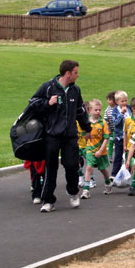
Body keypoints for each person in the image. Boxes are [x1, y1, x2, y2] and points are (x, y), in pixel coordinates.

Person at [30, 60, 91, 213]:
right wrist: (47, 103)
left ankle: (72, 191)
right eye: (76, 72)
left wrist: (87, 128)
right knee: (51, 168)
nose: (78, 75)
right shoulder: (49, 87)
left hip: (70, 135)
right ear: (68, 73)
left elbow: (80, 110)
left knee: (71, 165)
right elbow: (33, 103)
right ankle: (48, 200)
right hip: (52, 135)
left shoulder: (75, 90)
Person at [80, 99, 112, 199]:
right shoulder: (86, 122)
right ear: (89, 110)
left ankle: (108, 182)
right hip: (90, 149)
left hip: (101, 150)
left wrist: (101, 150)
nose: (98, 112)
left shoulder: (103, 123)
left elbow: (106, 138)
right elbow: (84, 136)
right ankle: (86, 190)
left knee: (102, 169)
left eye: (99, 110)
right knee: (89, 167)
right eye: (96, 110)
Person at [111, 90, 131, 179]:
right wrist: (122, 114)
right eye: (122, 101)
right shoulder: (115, 111)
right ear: (117, 102)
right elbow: (115, 123)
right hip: (120, 137)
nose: (124, 103)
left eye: (126, 100)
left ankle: (128, 174)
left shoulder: (129, 108)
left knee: (129, 156)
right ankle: (114, 174)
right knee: (118, 156)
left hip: (129, 136)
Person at [104, 92, 116, 163]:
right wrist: (108, 129)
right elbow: (106, 120)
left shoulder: (118, 108)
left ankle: (120, 156)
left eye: (109, 99)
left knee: (117, 143)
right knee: (111, 142)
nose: (108, 101)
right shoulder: (107, 110)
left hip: (118, 130)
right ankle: (110, 156)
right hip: (111, 130)